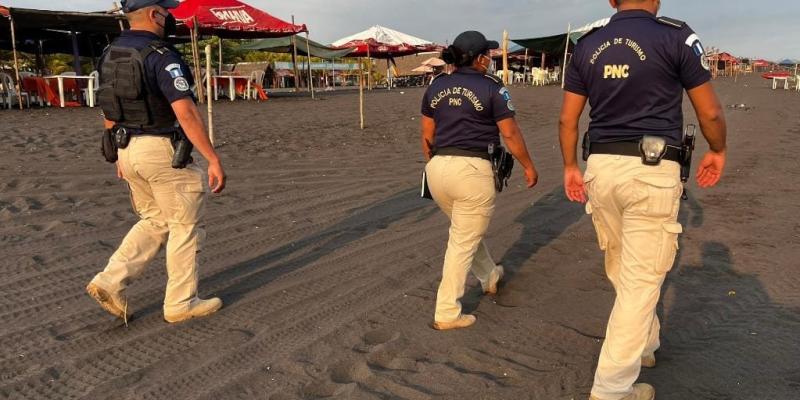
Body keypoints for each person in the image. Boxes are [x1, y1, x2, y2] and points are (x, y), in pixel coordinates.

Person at [558, 1, 727, 399]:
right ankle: (612, 390)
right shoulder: (676, 34)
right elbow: (711, 112)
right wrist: (717, 150)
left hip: (601, 165)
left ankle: (645, 345)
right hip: (651, 168)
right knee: (640, 281)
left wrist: (569, 165)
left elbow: (568, 119)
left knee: (621, 264)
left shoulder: (588, 43)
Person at [86, 0, 227, 324]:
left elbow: (108, 106)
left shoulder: (110, 54)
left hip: (127, 149)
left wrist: (117, 154)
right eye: (166, 11)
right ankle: (181, 302)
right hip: (162, 151)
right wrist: (212, 158)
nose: (169, 17)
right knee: (184, 225)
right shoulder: (160, 55)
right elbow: (186, 112)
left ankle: (109, 281)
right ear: (154, 14)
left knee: (154, 219)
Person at [421, 31, 539, 331]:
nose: (491, 58)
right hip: (472, 171)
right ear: (479, 58)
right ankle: (447, 311)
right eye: (488, 54)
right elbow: (510, 134)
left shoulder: (437, 85)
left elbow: (427, 135)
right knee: (461, 241)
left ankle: (489, 276)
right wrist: (528, 166)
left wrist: (434, 165)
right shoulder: (492, 88)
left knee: (465, 231)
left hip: (438, 169)